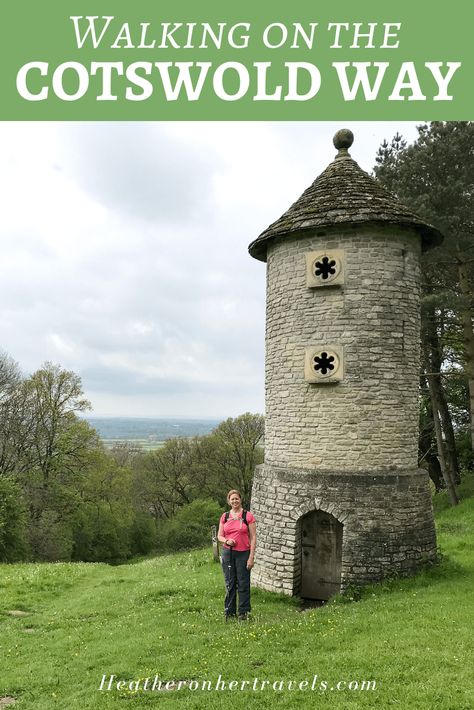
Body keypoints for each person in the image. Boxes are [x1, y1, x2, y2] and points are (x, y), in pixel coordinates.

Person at [217, 489, 256, 621]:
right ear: (229, 501)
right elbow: (219, 536)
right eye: (232, 499)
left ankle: (243, 613)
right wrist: (227, 540)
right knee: (230, 583)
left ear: (240, 499)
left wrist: (251, 557)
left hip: (243, 554)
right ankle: (229, 612)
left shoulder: (248, 516)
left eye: (236, 498)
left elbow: (253, 538)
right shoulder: (225, 516)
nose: (235, 501)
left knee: (243, 583)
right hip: (228, 553)